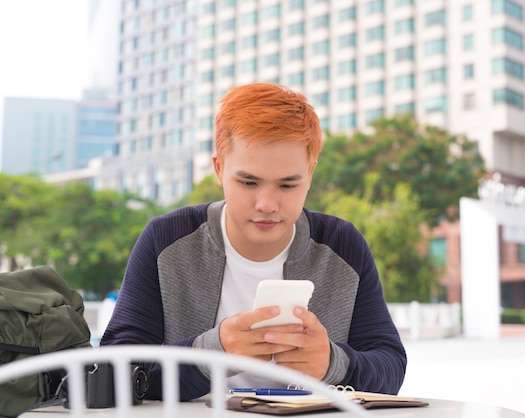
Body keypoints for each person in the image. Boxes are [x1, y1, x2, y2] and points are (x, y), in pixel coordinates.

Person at [100, 83, 407, 400]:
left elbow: (391, 366)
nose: (267, 204)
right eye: (248, 182)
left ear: (310, 174)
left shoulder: (342, 244)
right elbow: (115, 367)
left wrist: (332, 363)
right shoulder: (165, 240)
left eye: (288, 185)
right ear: (219, 169)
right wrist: (212, 353)